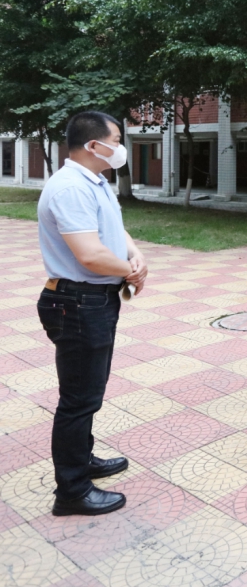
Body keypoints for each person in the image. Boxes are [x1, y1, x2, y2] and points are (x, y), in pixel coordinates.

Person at [36, 111, 148, 516]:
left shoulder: (94, 182)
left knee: (89, 392)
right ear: (94, 145)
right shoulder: (70, 188)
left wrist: (134, 253)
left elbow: (113, 231)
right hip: (77, 302)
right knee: (78, 399)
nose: (120, 147)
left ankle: (82, 459)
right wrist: (130, 270)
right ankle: (72, 491)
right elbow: (89, 254)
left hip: (93, 300)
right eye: (116, 140)